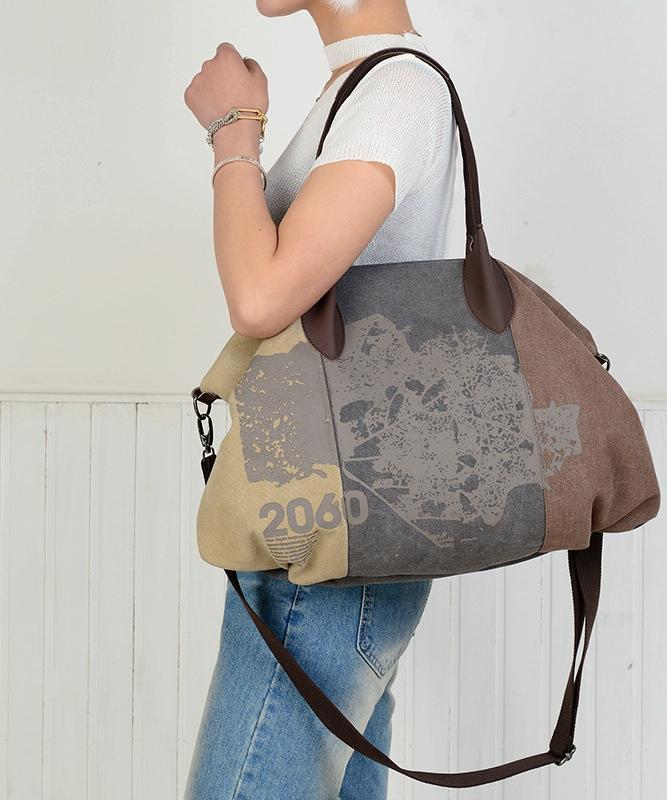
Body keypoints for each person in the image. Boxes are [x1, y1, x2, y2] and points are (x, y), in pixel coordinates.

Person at [182, 1, 458, 797]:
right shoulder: (361, 86)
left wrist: (234, 133)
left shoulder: (397, 91)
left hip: (335, 538)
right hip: (318, 519)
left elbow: (262, 298)